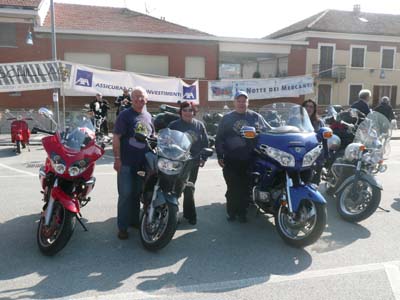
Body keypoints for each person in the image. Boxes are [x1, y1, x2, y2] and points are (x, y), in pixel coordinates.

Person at [215, 91, 266, 223]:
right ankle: (231, 212)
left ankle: (242, 213)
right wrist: (220, 155)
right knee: (232, 187)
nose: (242, 103)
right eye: (239, 101)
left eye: (244, 101)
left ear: (248, 102)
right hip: (231, 158)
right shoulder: (227, 118)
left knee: (245, 187)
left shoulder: (256, 117)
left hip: (250, 158)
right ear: (234, 102)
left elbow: (266, 131)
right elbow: (219, 137)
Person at [112, 86, 154, 240]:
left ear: (146, 99)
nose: (139, 99)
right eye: (135, 96)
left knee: (137, 194)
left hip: (142, 164)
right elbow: (116, 137)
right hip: (126, 163)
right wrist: (117, 159)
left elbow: (152, 137)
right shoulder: (125, 115)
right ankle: (122, 227)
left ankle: (134, 221)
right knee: (125, 194)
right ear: (131, 99)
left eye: (142, 96)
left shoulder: (148, 116)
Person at [168, 101, 209, 225]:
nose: (187, 112)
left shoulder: (199, 125)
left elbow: (205, 143)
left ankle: (190, 215)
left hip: (193, 161)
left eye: (190, 110)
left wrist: (203, 158)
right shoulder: (173, 125)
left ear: (194, 112)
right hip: (176, 161)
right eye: (185, 110)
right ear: (180, 112)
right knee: (174, 189)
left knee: (189, 188)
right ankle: (172, 215)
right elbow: (166, 141)